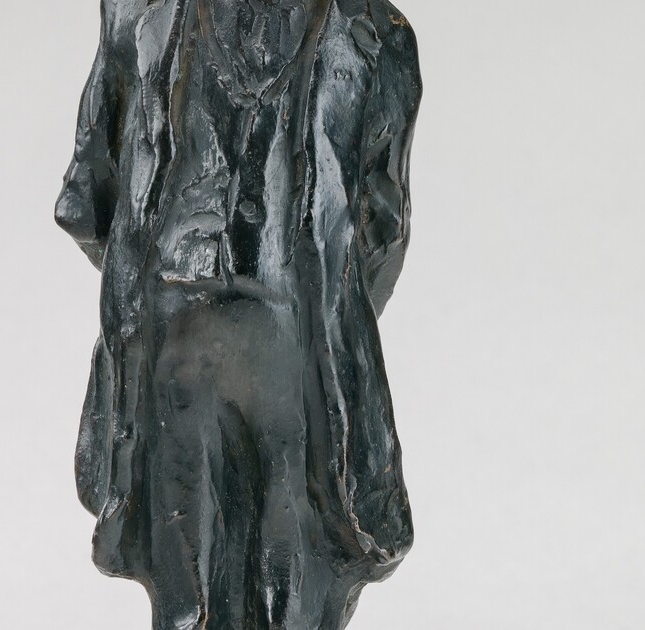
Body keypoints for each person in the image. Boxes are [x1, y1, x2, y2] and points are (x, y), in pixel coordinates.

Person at [55, 1, 421, 627]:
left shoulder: (374, 35)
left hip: (217, 331)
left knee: (241, 583)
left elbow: (88, 204)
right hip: (256, 341)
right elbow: (382, 230)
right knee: (247, 578)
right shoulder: (372, 31)